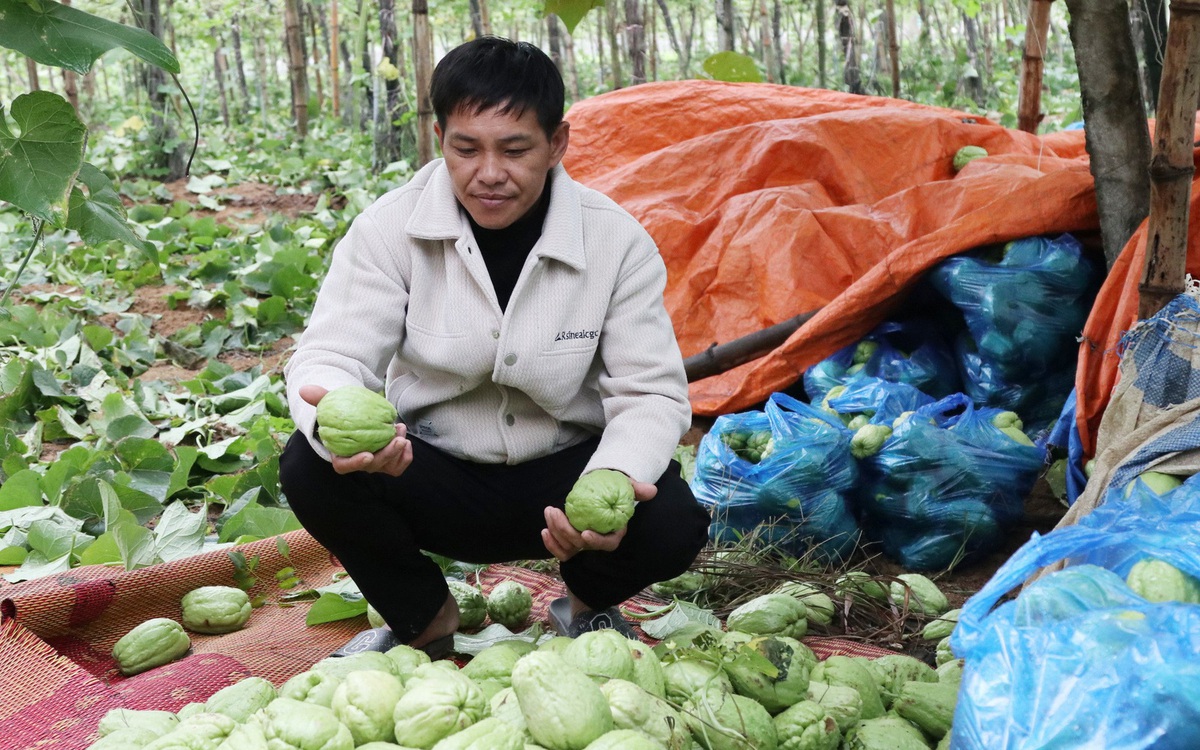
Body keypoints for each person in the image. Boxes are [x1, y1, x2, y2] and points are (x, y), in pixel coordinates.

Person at [279, 36, 710, 657]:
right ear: (439, 139)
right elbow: (333, 352)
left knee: (672, 520)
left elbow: (649, 392)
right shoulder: (387, 229)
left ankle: (586, 607)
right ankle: (424, 620)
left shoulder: (616, 241)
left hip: (565, 483)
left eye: (514, 150)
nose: (489, 174)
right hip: (429, 471)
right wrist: (335, 413)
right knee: (308, 465)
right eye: (466, 148)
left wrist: (613, 481)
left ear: (557, 144)